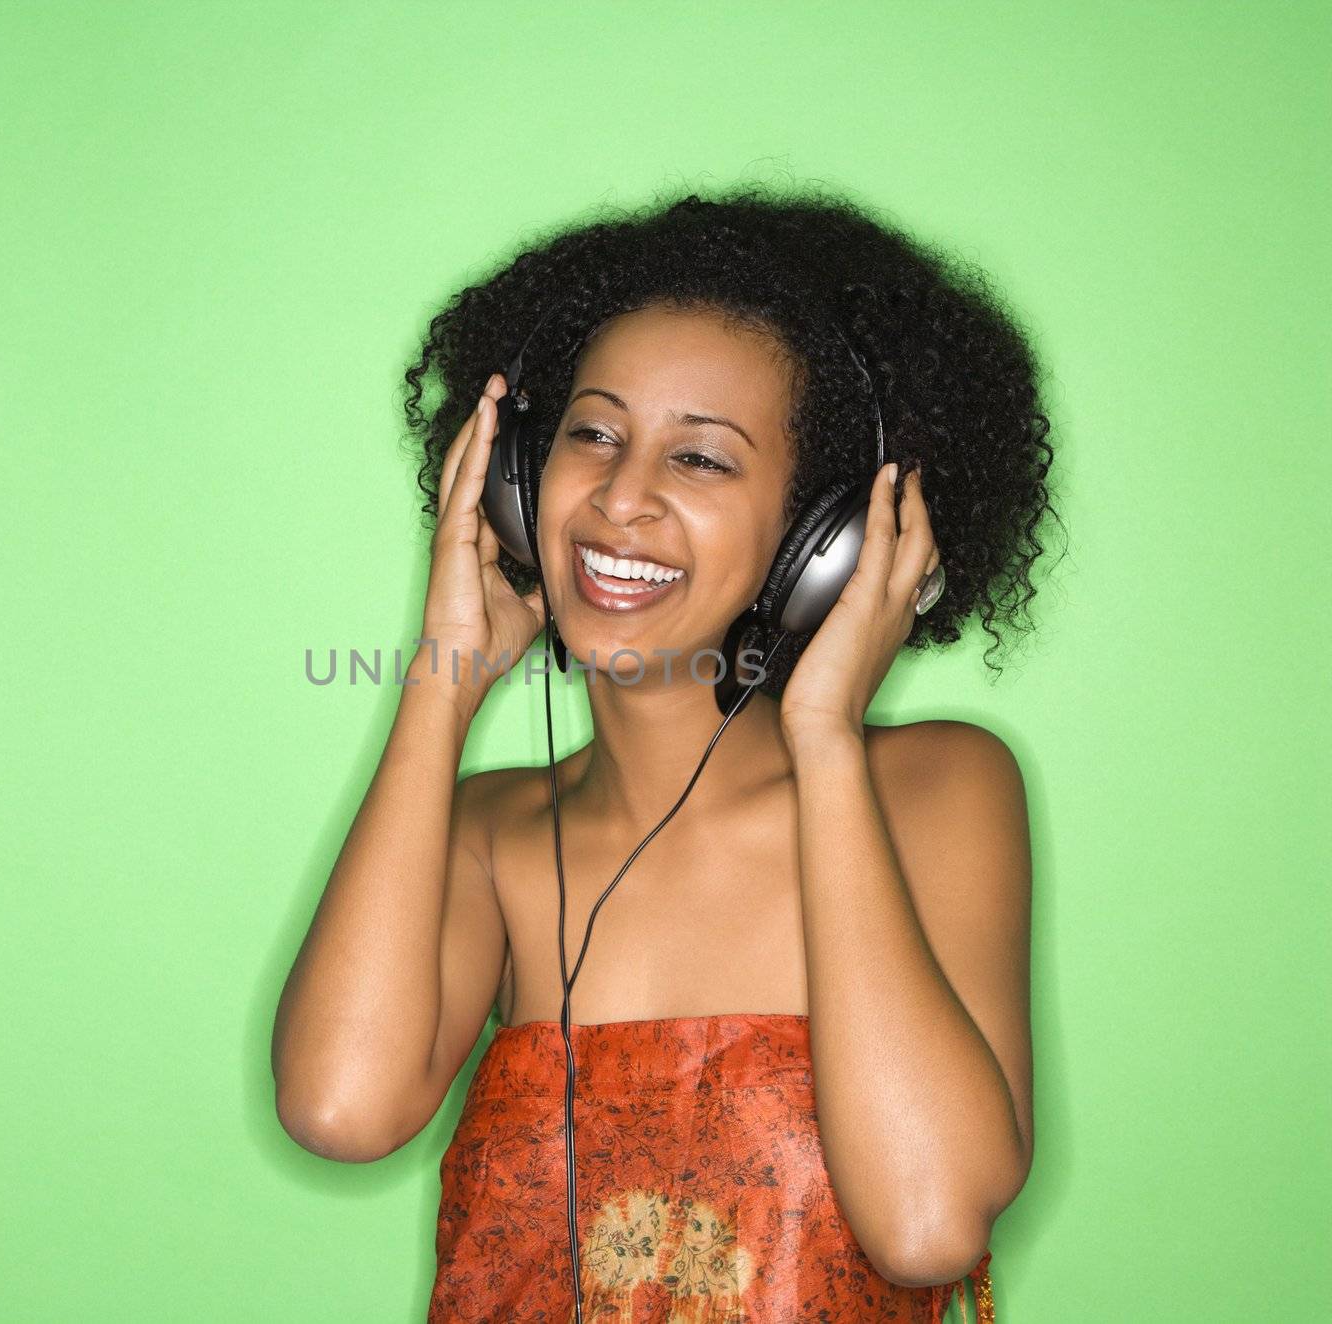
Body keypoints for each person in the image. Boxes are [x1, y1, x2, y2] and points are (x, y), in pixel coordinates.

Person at [273, 185, 1056, 1322]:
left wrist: (826, 736)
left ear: (819, 541)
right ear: (509, 485)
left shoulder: (935, 787)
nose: (620, 496)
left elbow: (927, 1221)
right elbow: (341, 1107)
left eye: (700, 460)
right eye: (592, 434)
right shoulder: (491, 838)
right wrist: (445, 682)